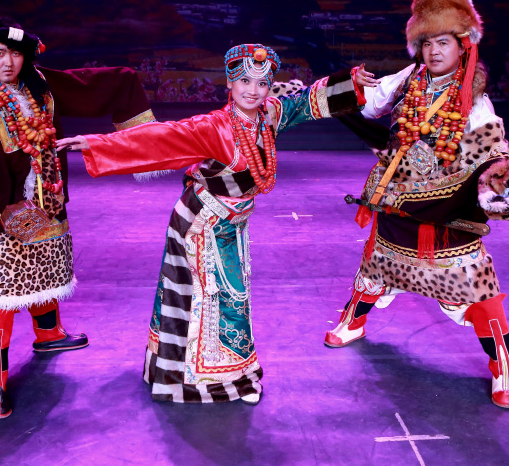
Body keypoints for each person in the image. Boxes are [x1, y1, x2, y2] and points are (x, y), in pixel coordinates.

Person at [58, 43, 374, 404]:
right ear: (229, 82)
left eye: (262, 83)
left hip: (230, 225)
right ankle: (216, 381)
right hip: (201, 225)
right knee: (216, 298)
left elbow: (304, 103)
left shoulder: (268, 116)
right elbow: (159, 138)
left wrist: (350, 83)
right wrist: (95, 144)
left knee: (227, 296)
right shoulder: (215, 127)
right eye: (244, 81)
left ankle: (209, 373)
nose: (253, 90)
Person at [0, 17, 156, 419]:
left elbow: (90, 85)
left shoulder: (39, 84)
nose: (8, 62)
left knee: (46, 270)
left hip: (48, 202)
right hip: (4, 214)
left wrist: (129, 86)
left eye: (16, 54)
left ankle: (48, 333)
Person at [325, 0, 509, 409]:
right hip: (398, 203)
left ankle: (502, 364)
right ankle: (354, 322)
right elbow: (372, 104)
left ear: (463, 45)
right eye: (427, 43)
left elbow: (492, 150)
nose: (434, 51)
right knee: (377, 266)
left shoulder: (473, 97)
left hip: (446, 212)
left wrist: (496, 180)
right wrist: (349, 86)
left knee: (476, 292)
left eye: (443, 42)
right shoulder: (411, 78)